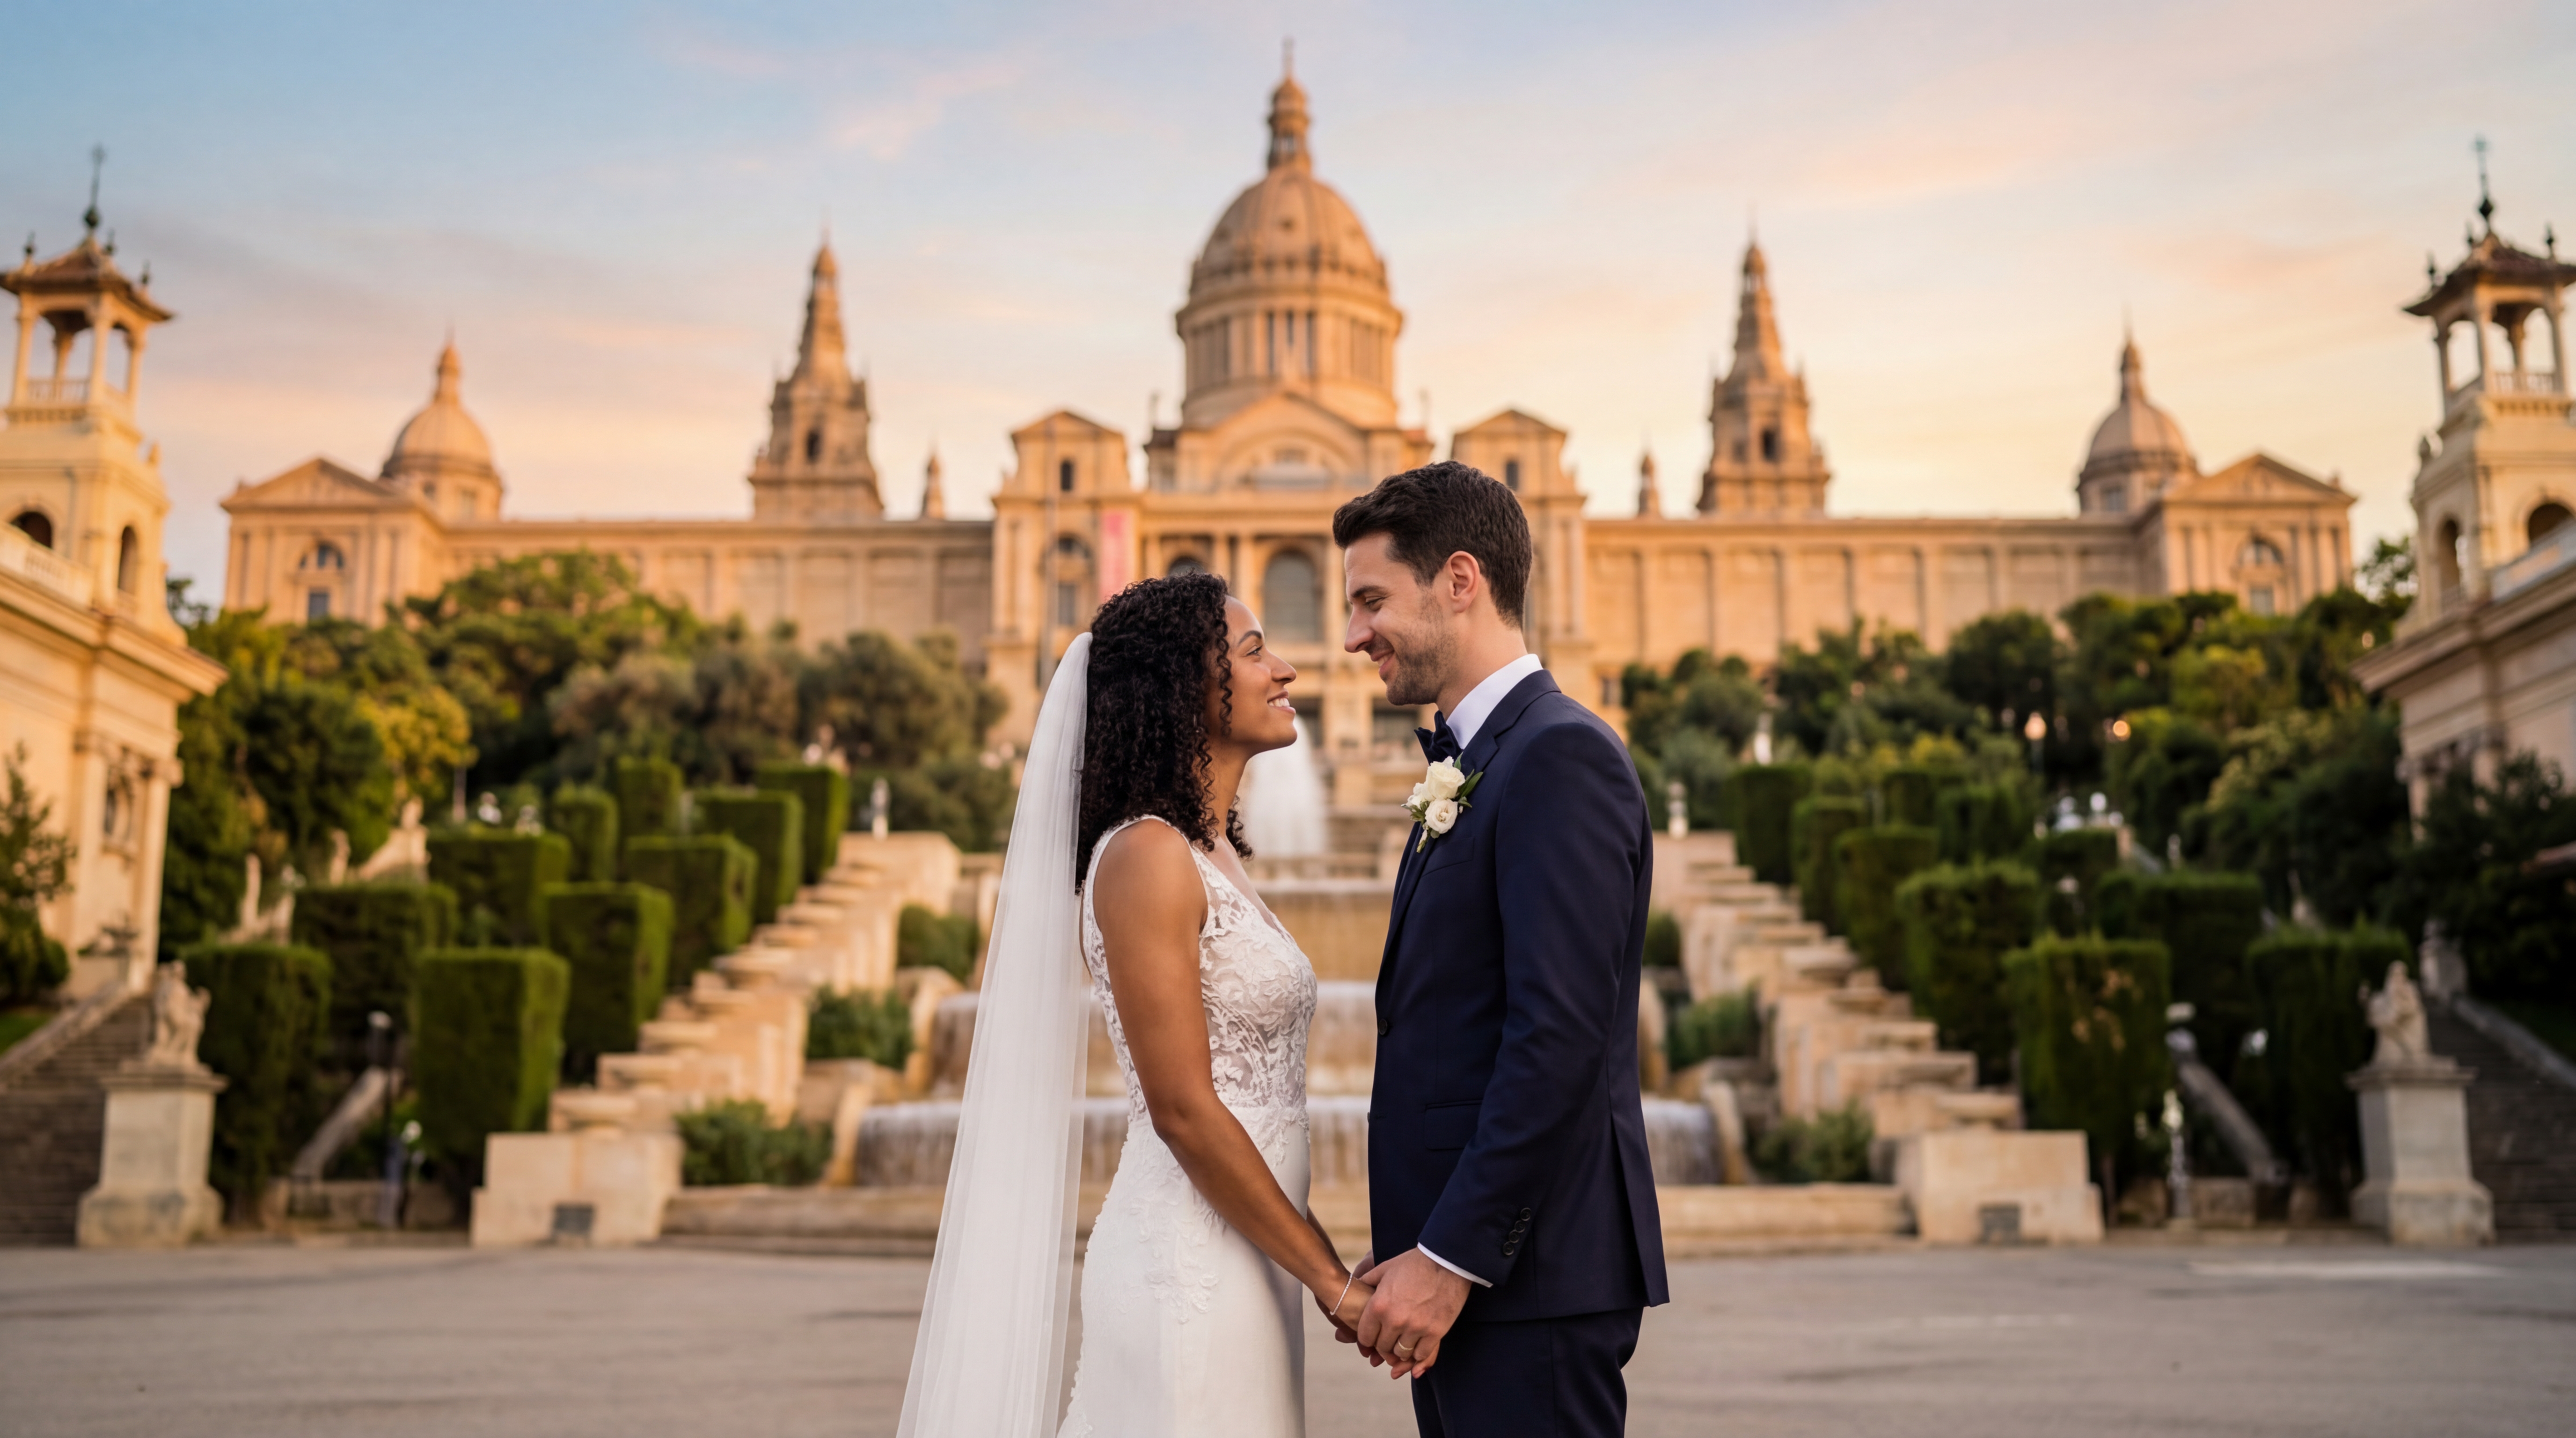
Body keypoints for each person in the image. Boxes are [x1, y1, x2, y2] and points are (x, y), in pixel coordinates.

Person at [896, 572, 1361, 1438]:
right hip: (1184, 1271)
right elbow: (1184, 1109)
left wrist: (1313, 1265)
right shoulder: (1147, 856)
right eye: (1256, 651)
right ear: (1187, 686)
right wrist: (1331, 1282)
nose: (1288, 670)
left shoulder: (1207, 850)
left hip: (1250, 1262)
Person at [1332, 460, 1669, 1437]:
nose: (1353, 635)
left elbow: (1556, 1039)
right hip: (1480, 1280)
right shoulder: (1480, 760)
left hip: (1526, 1277)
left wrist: (1452, 1258)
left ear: (1461, 581)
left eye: (1370, 601)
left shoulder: (1558, 755)